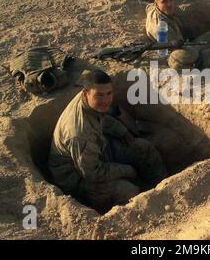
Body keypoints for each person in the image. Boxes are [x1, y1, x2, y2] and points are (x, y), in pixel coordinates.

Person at [48, 69, 167, 213]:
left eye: (109, 93)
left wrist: (123, 132)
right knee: (129, 191)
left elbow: (102, 119)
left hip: (95, 153)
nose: (106, 100)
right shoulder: (79, 133)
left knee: (144, 148)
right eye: (99, 95)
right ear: (86, 94)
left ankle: (164, 192)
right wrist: (128, 171)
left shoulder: (89, 101)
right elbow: (93, 173)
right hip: (77, 178)